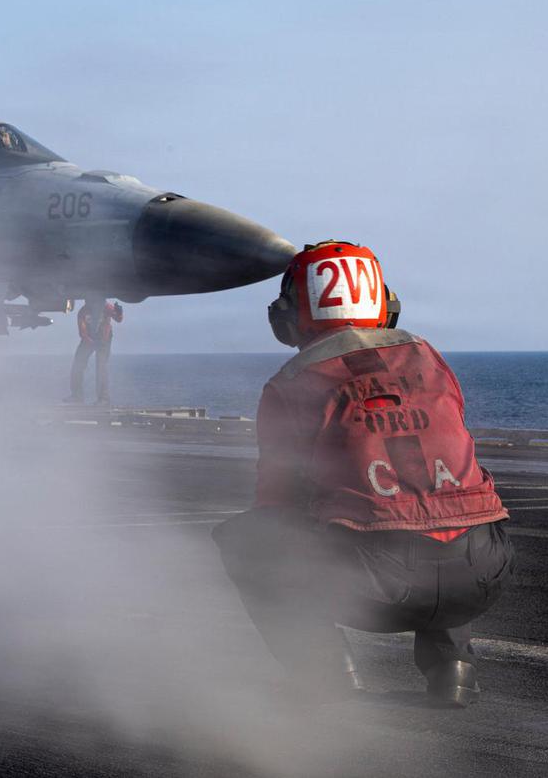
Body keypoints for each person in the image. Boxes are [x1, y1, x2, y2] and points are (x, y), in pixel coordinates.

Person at [212, 240, 514, 707]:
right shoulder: (427, 355)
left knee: (249, 535)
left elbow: (275, 499)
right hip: (482, 574)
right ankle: (453, 668)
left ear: (290, 315)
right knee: (439, 499)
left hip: (377, 589)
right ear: (385, 304)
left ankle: (323, 675)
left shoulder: (290, 383)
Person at [66, 298, 123, 405]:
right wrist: (90, 341)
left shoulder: (107, 307)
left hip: (104, 340)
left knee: (101, 367)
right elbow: (82, 332)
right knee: (78, 364)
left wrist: (119, 312)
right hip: (89, 339)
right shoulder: (83, 311)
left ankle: (103, 399)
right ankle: (77, 396)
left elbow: (118, 319)